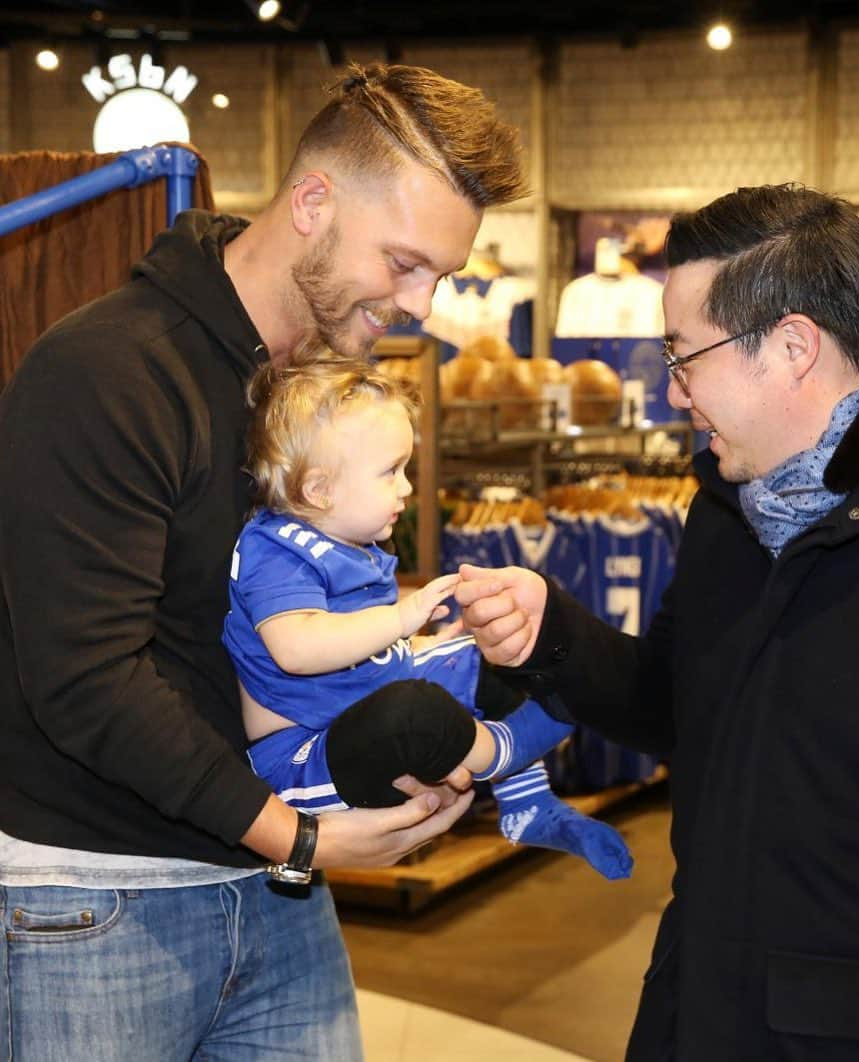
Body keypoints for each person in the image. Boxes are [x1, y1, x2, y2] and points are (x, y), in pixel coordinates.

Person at [455, 184, 859, 1061]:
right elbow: (674, 708)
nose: (672, 394)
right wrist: (554, 631)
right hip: (693, 1013)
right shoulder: (731, 513)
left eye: (683, 357)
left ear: (791, 347)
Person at [0, 61, 527, 1060]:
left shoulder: (305, 394)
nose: (418, 301)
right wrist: (302, 837)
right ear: (313, 201)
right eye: (405, 262)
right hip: (99, 903)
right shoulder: (109, 372)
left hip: (272, 888)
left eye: (440, 277)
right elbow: (86, 678)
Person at [224, 352, 632, 879]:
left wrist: (430, 642)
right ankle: (498, 755)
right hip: (306, 756)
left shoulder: (347, 543)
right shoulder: (277, 551)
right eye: (390, 472)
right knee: (414, 712)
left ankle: (529, 804)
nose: (408, 488)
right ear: (319, 489)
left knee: (505, 655)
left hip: (363, 705)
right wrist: (402, 618)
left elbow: (361, 660)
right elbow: (297, 650)